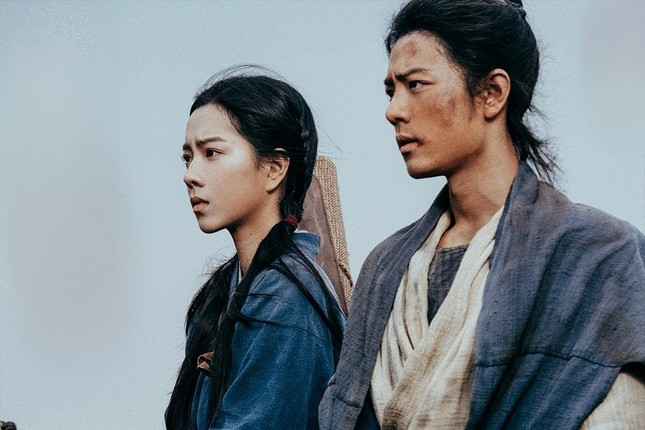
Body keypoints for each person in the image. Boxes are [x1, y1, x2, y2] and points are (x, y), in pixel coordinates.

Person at [319, 0, 645, 429]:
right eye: (390, 91)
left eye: (415, 84)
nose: (394, 110)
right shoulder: (384, 269)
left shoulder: (598, 253)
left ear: (492, 93)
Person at [166, 67, 345, 430]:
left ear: (274, 168)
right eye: (188, 157)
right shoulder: (222, 292)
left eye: (211, 153)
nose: (190, 175)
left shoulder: (286, 296)